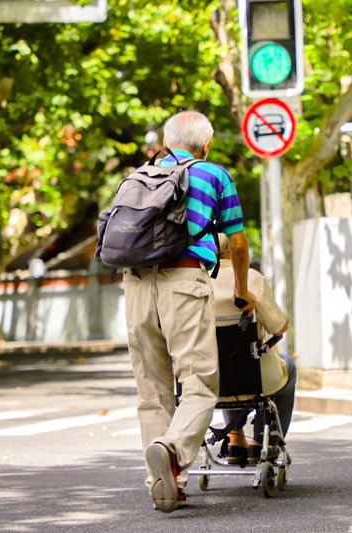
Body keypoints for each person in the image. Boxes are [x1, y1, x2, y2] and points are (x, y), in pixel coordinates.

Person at [122, 110, 255, 513]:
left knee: (152, 388)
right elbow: (237, 243)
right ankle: (172, 450)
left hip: (136, 285)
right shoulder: (214, 175)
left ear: (166, 140)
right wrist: (241, 290)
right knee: (199, 382)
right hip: (184, 281)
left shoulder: (138, 176)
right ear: (206, 144)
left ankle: (165, 484)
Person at [212, 234, 296, 465]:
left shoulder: (196, 283)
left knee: (225, 362)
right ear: (234, 250)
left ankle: (236, 440)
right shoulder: (251, 279)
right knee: (287, 364)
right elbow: (280, 326)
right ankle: (264, 441)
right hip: (252, 377)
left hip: (208, 376)